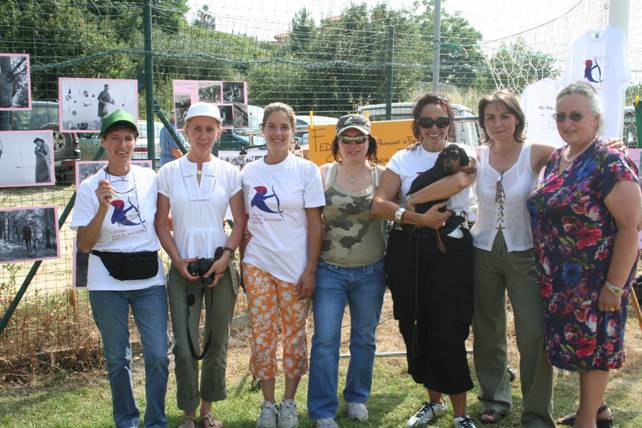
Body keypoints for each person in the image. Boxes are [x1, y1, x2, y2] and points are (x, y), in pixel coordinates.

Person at [527, 82, 641, 428]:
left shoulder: (610, 161)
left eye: (576, 115)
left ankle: (587, 420)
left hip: (597, 280)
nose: (567, 122)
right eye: (561, 116)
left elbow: (629, 228)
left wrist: (615, 286)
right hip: (560, 280)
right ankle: (598, 410)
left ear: (596, 119)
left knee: (594, 352)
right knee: (581, 348)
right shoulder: (560, 157)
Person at [372, 93, 478, 428]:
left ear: (451, 125)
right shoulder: (402, 159)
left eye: (442, 121)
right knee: (414, 322)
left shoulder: (466, 155)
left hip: (452, 248)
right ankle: (434, 403)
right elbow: (378, 204)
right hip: (409, 249)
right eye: (427, 122)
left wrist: (412, 199)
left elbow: (458, 180)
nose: (435, 128)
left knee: (449, 327)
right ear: (417, 125)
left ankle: (461, 413)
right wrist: (416, 217)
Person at [70, 109, 168, 428]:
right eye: (115, 138)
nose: (122, 145)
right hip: (106, 281)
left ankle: (155, 420)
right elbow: (85, 244)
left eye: (128, 138)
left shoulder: (151, 179)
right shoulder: (89, 186)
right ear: (104, 142)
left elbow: (167, 222)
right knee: (117, 358)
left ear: (136, 143)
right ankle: (126, 419)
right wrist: (101, 208)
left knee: (157, 355)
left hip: (148, 279)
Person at [155, 102, 244, 428]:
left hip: (219, 269)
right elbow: (162, 224)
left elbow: (240, 222)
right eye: (197, 128)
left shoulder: (230, 172)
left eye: (210, 129)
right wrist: (177, 261)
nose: (203, 135)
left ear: (218, 132)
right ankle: (188, 413)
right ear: (185, 130)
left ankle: (207, 411)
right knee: (184, 344)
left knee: (216, 341)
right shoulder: (167, 172)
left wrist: (225, 258)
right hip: (183, 271)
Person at [470, 90, 555, 426]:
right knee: (487, 329)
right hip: (483, 251)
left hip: (525, 253)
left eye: (504, 116)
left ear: (517, 118)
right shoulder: (476, 155)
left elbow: (579, 155)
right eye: (490, 117)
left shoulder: (534, 152)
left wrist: (612, 147)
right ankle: (494, 397)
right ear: (482, 122)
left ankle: (536, 411)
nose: (498, 124)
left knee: (533, 332)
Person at [241, 102, 324, 428]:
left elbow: (316, 225)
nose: (278, 133)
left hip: (295, 268)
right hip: (258, 264)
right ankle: (268, 404)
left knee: (294, 336)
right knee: (262, 335)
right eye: (272, 127)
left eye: (284, 127)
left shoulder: (306, 171)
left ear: (293, 132)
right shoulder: (249, 172)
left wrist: (310, 269)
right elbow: (244, 220)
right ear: (262, 130)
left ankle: (289, 403)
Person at [307, 114, 386, 427]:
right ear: (337, 143)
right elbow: (309, 223)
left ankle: (357, 397)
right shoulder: (323, 174)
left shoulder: (383, 177)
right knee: (325, 340)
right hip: (330, 271)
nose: (353, 145)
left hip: (372, 272)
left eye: (360, 139)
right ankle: (322, 410)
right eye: (347, 139)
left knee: (364, 339)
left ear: (369, 142)